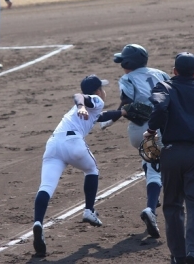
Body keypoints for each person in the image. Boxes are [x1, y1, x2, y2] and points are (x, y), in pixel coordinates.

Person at [144, 52, 194, 264]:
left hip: (171, 154)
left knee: (172, 205)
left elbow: (160, 107)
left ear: (174, 71)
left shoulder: (164, 87)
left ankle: (178, 256)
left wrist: (151, 130)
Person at [31, 75, 126, 257]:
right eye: (102, 88)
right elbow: (78, 96)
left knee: (46, 186)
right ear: (97, 91)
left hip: (53, 145)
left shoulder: (89, 110)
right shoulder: (96, 100)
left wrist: (122, 113)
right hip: (73, 143)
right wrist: (82, 105)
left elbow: (100, 117)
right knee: (91, 170)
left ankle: (38, 223)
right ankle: (89, 210)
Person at [109, 44, 170, 238]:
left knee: (151, 163)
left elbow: (127, 103)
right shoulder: (161, 73)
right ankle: (151, 207)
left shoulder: (127, 79)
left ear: (127, 63)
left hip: (139, 132)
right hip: (162, 128)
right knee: (156, 168)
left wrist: (113, 116)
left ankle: (152, 203)